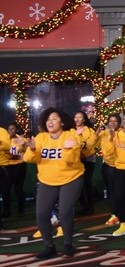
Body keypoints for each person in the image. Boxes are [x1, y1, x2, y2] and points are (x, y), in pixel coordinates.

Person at [22, 108, 84, 259]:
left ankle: (68, 245)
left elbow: (72, 161)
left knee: (64, 212)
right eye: (48, 119)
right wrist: (31, 149)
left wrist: (68, 148)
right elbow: (29, 159)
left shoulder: (70, 136)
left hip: (71, 178)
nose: (50, 122)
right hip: (47, 180)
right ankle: (49, 246)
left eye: (54, 118)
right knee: (42, 214)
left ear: (62, 122)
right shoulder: (41, 138)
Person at [97, 114, 122, 226]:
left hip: (121, 166)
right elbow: (91, 145)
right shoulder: (103, 134)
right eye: (110, 121)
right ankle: (114, 214)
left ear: (119, 123)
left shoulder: (122, 134)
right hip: (108, 166)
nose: (112, 123)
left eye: (115, 121)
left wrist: (113, 138)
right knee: (111, 190)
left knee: (122, 191)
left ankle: (123, 212)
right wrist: (95, 134)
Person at [73, 111, 97, 216]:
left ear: (84, 119)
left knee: (86, 182)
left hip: (88, 159)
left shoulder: (89, 130)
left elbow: (91, 145)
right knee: (78, 184)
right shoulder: (71, 130)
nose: (77, 119)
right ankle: (83, 206)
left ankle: (90, 207)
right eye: (75, 117)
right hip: (76, 160)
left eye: (80, 117)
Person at [2, 123, 27, 217]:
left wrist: (23, 145)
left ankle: (21, 209)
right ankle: (7, 211)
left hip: (19, 167)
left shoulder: (21, 139)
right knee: (6, 190)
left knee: (18, 188)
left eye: (12, 129)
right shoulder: (5, 140)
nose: (10, 130)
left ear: (16, 130)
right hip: (7, 167)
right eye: (9, 129)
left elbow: (26, 153)